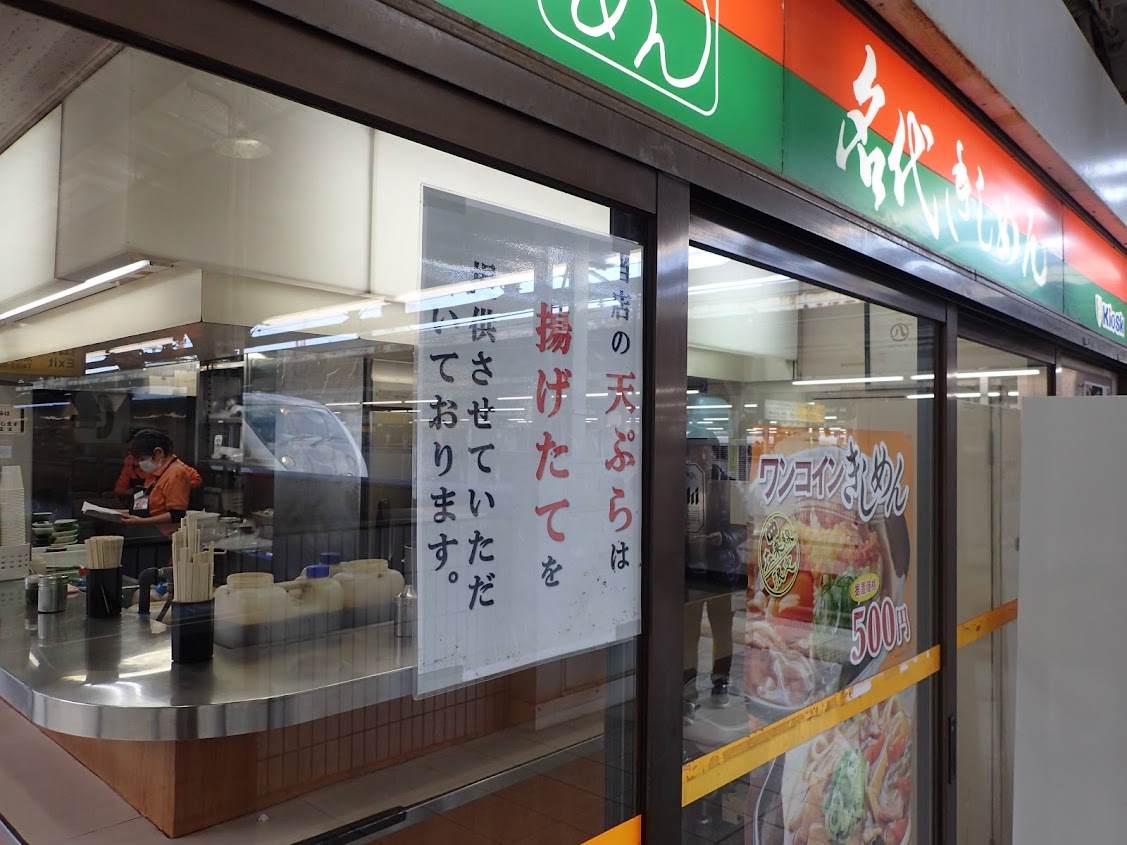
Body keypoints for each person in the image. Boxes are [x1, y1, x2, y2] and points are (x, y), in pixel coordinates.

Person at [683, 431, 748, 709]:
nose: (705, 456)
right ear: (688, 455)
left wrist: (724, 538)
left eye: (709, 451)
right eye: (698, 451)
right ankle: (687, 686)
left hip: (723, 571)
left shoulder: (729, 485)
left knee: (723, 630)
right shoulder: (678, 485)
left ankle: (721, 680)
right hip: (689, 573)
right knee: (688, 634)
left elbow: (744, 526)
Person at [119, 430, 202, 536]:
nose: (140, 464)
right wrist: (118, 513)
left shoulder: (176, 473)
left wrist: (142, 522)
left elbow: (177, 515)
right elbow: (148, 509)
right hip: (147, 532)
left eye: (142, 459)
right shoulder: (154, 473)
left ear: (158, 453)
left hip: (163, 537)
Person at [113, 430, 149, 499]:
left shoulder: (161, 464)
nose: (131, 453)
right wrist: (135, 492)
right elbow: (118, 490)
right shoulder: (130, 460)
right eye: (130, 450)